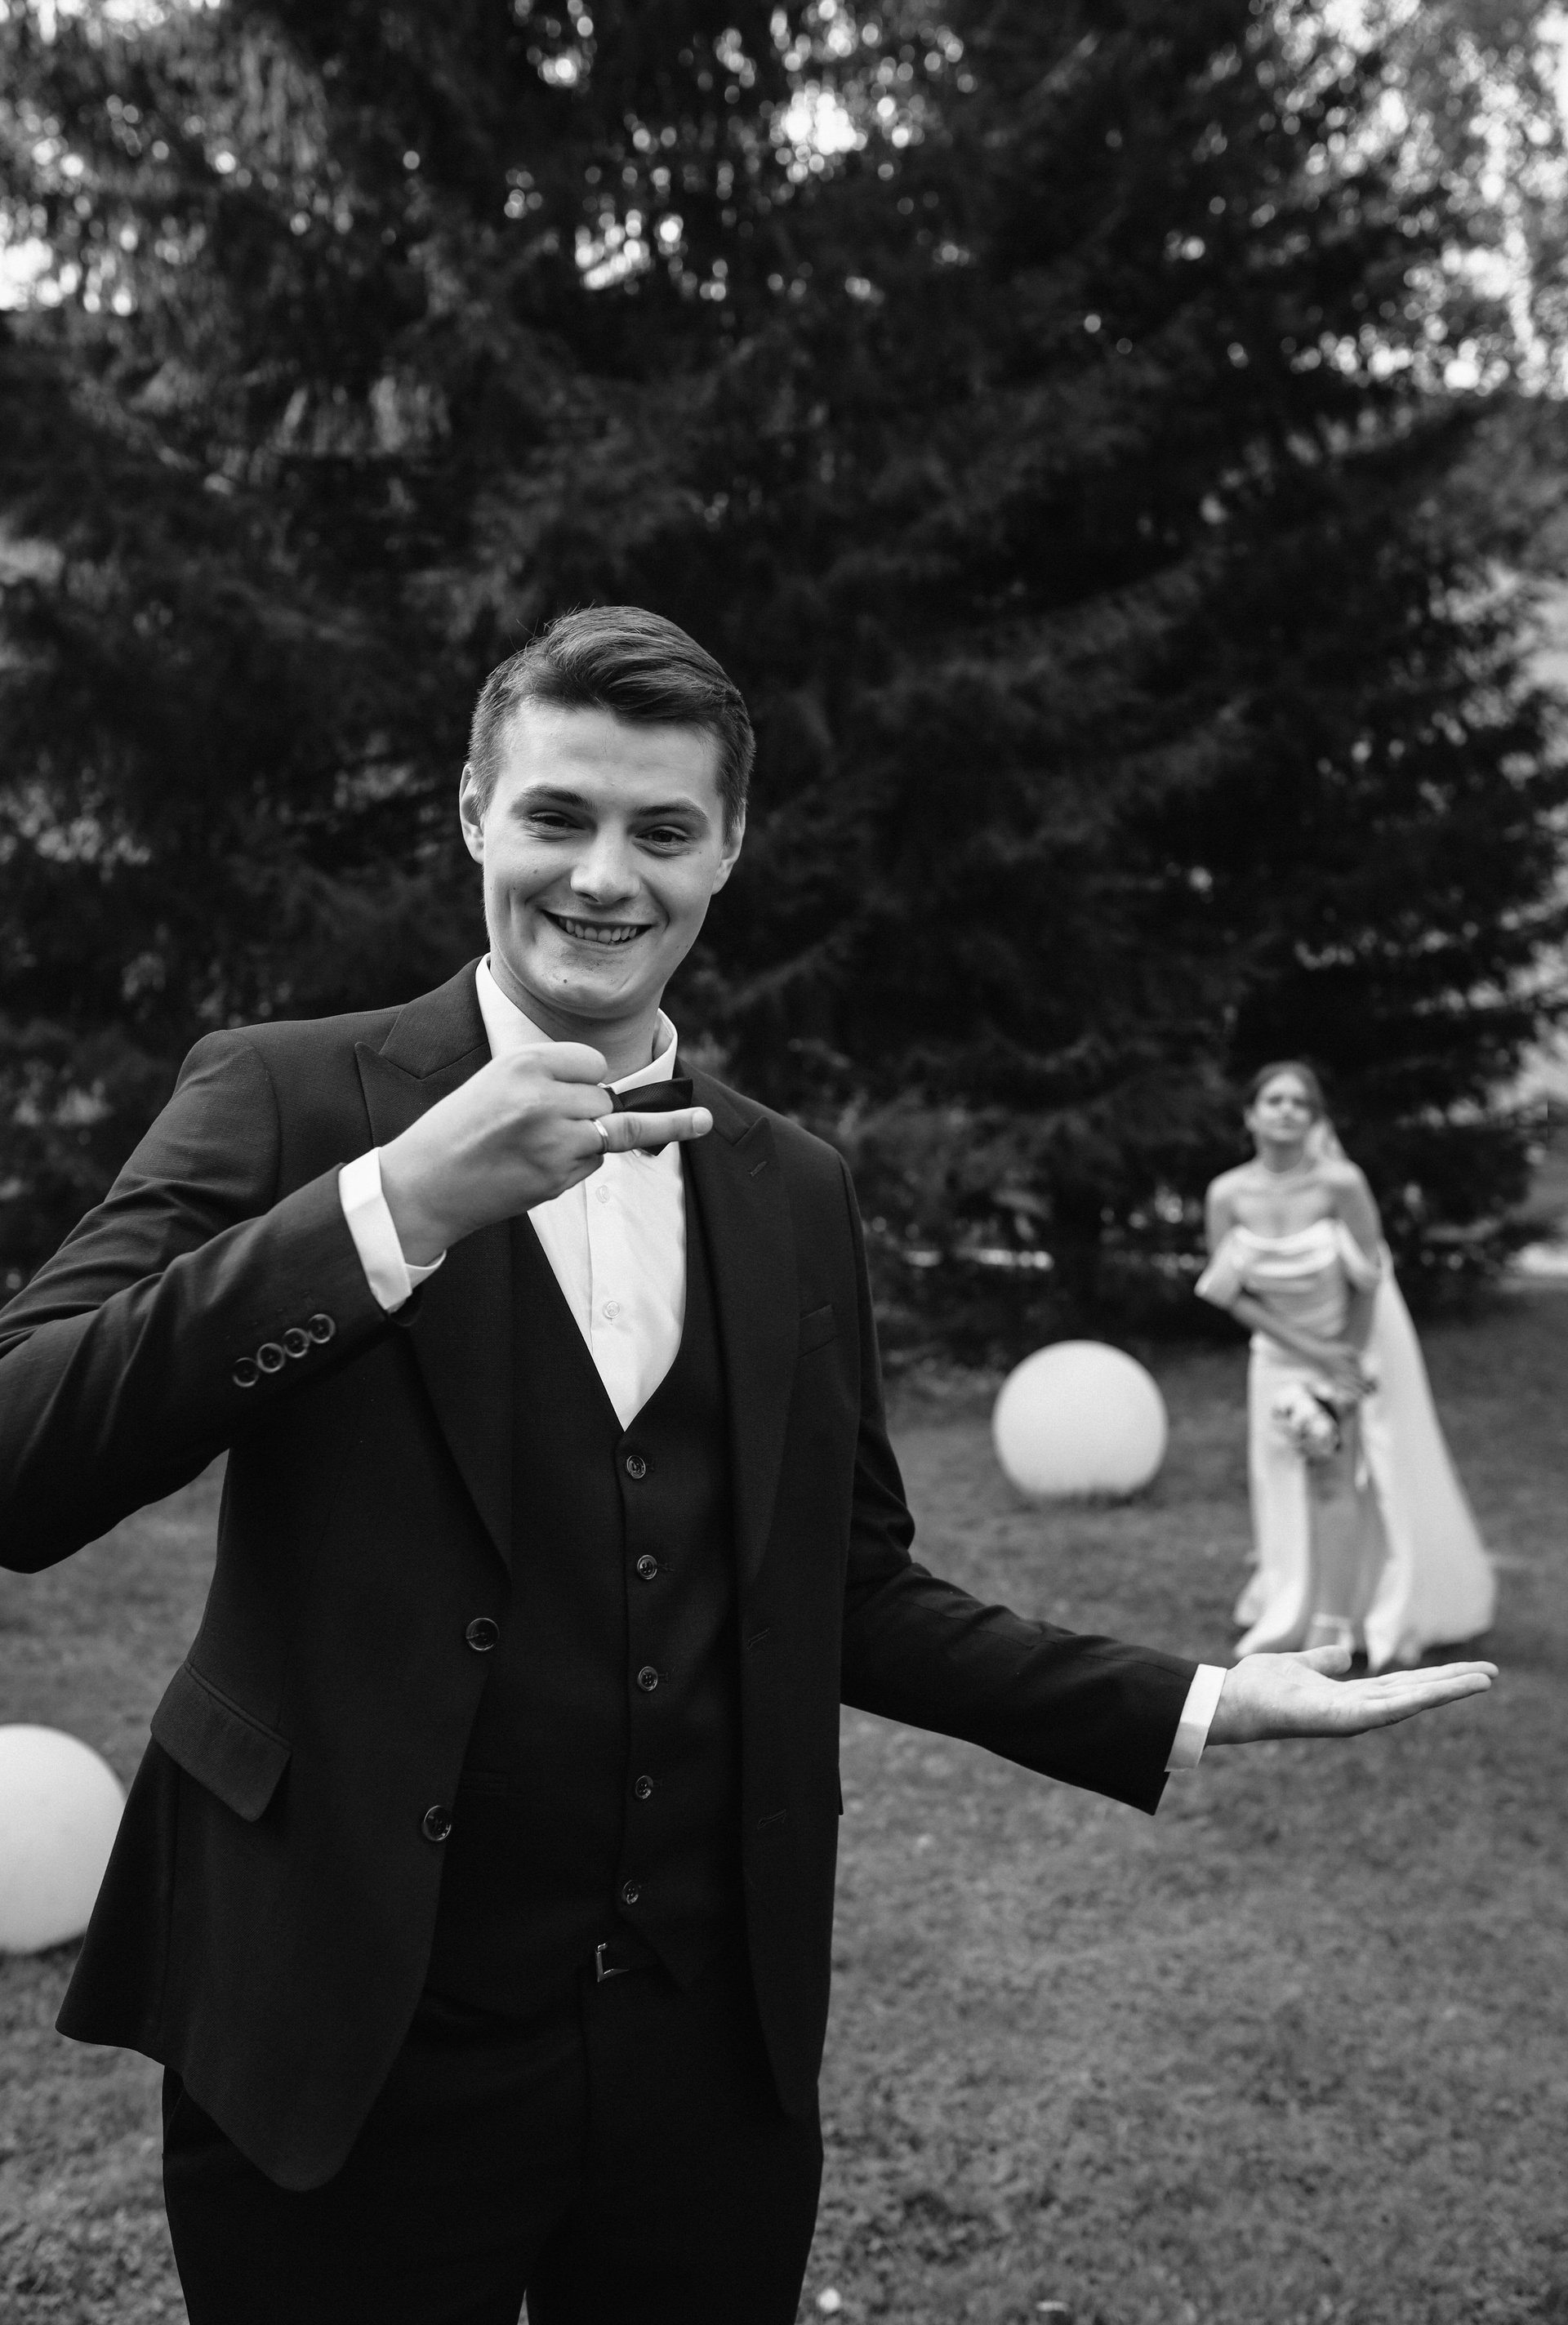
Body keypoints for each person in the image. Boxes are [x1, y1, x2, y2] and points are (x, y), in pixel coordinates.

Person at [0, 612, 1495, 2325]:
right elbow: (22, 1452)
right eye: (557, 815)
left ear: (727, 851)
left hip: (702, 2061)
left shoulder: (793, 1188)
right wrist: (392, 1208)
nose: (603, 877)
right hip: (341, 2033)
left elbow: (848, 1591)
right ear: (475, 813)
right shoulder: (287, 1097)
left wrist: (1197, 1702)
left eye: (662, 829)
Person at [1198, 1061, 1496, 1668]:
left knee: (1336, 1480)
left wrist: (1345, 1364)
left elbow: (1369, 1277)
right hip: (1277, 1357)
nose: (1287, 1111)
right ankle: (1288, 1606)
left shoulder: (1341, 1184)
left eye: (1300, 1103)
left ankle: (1331, 1625)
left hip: (1349, 1349)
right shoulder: (1226, 1194)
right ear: (1251, 1115)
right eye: (1275, 1100)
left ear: (1315, 1119)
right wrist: (1309, 1351)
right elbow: (1230, 1293)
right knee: (1280, 1480)